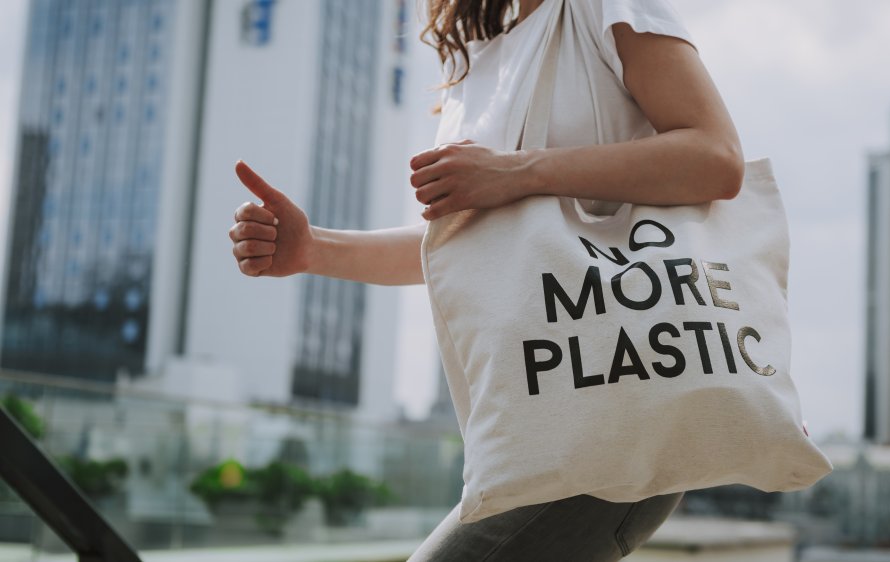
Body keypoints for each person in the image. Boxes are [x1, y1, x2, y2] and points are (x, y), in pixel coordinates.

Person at [230, 0, 743, 559]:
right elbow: (465, 249)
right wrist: (313, 249)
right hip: (528, 427)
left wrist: (519, 171)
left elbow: (716, 157)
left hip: (614, 420)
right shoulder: (481, 58)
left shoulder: (605, 8)